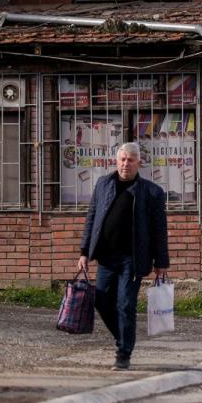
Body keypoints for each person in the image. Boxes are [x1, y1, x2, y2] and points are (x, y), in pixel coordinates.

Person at [77, 142, 169, 370]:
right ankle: (124, 337)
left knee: (125, 304)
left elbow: (159, 229)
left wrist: (162, 262)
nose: (125, 163)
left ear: (139, 162)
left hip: (133, 259)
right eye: (122, 159)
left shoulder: (151, 192)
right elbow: (92, 218)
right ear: (116, 161)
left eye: (130, 160)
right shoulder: (103, 184)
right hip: (106, 257)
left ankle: (123, 353)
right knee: (101, 300)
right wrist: (84, 252)